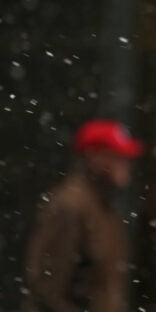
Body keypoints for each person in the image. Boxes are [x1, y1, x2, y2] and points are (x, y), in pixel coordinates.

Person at [25, 119, 143, 312]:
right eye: (117, 156)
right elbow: (48, 290)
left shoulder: (105, 209)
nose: (126, 164)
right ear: (94, 156)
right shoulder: (70, 206)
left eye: (127, 158)